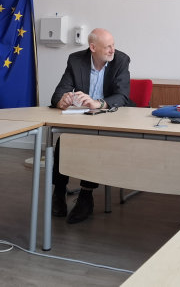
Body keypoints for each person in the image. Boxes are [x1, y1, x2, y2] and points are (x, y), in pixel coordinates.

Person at [50, 28, 133, 224]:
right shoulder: (75, 60)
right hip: (82, 118)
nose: (113, 50)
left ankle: (86, 197)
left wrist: (98, 103)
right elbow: (58, 94)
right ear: (93, 47)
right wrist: (62, 101)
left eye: (113, 45)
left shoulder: (121, 60)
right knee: (64, 141)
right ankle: (59, 192)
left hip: (109, 119)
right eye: (108, 47)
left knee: (94, 143)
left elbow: (122, 96)